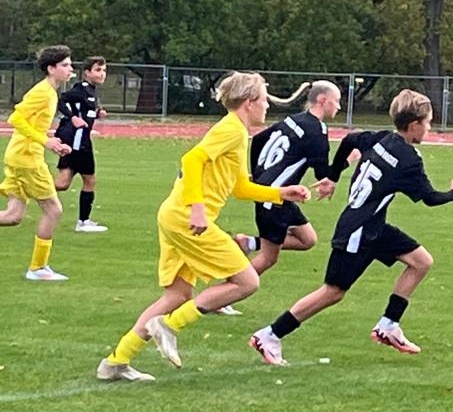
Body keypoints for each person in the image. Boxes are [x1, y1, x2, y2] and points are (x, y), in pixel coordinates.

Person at [96, 72, 310, 383]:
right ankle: (169, 325)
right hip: (187, 218)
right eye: (264, 100)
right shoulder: (232, 130)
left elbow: (240, 187)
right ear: (249, 102)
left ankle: (115, 362)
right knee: (247, 282)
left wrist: (280, 193)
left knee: (177, 294)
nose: (267, 106)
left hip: (174, 215)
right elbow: (192, 159)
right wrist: (197, 209)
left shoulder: (237, 132)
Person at [248, 89, 453, 366]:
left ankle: (388, 325)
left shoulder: (380, 138)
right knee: (332, 292)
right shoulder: (409, 159)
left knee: (421, 261)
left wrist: (333, 175)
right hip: (357, 232)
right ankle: (270, 334)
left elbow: (350, 140)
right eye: (428, 122)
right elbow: (430, 198)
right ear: (414, 125)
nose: (429, 128)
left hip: (373, 226)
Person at [234, 80, 342, 276]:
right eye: (337, 101)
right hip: (274, 197)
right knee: (268, 257)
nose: (339, 107)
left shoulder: (294, 119)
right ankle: (231, 287)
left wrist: (258, 174)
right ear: (322, 100)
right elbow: (323, 173)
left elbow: (258, 140)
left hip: (280, 195)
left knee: (307, 239)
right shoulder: (317, 131)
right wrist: (349, 158)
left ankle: (249, 243)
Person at [2, 44, 76, 280]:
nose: (70, 69)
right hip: (27, 159)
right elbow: (16, 118)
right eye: (65, 65)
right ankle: (37, 268)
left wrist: (53, 141)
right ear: (51, 68)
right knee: (53, 210)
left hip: (19, 155)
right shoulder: (43, 92)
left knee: (13, 216)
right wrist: (46, 141)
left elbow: (33, 126)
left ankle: (38, 269)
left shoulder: (50, 92)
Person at [53, 54, 110, 232]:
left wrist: (97, 113)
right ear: (87, 72)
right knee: (89, 180)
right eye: (98, 70)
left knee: (63, 183)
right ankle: (83, 222)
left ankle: (24, 189)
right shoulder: (81, 89)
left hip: (78, 140)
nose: (102, 73)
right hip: (77, 141)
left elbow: (84, 110)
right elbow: (61, 100)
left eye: (104, 70)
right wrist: (73, 118)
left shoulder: (91, 91)